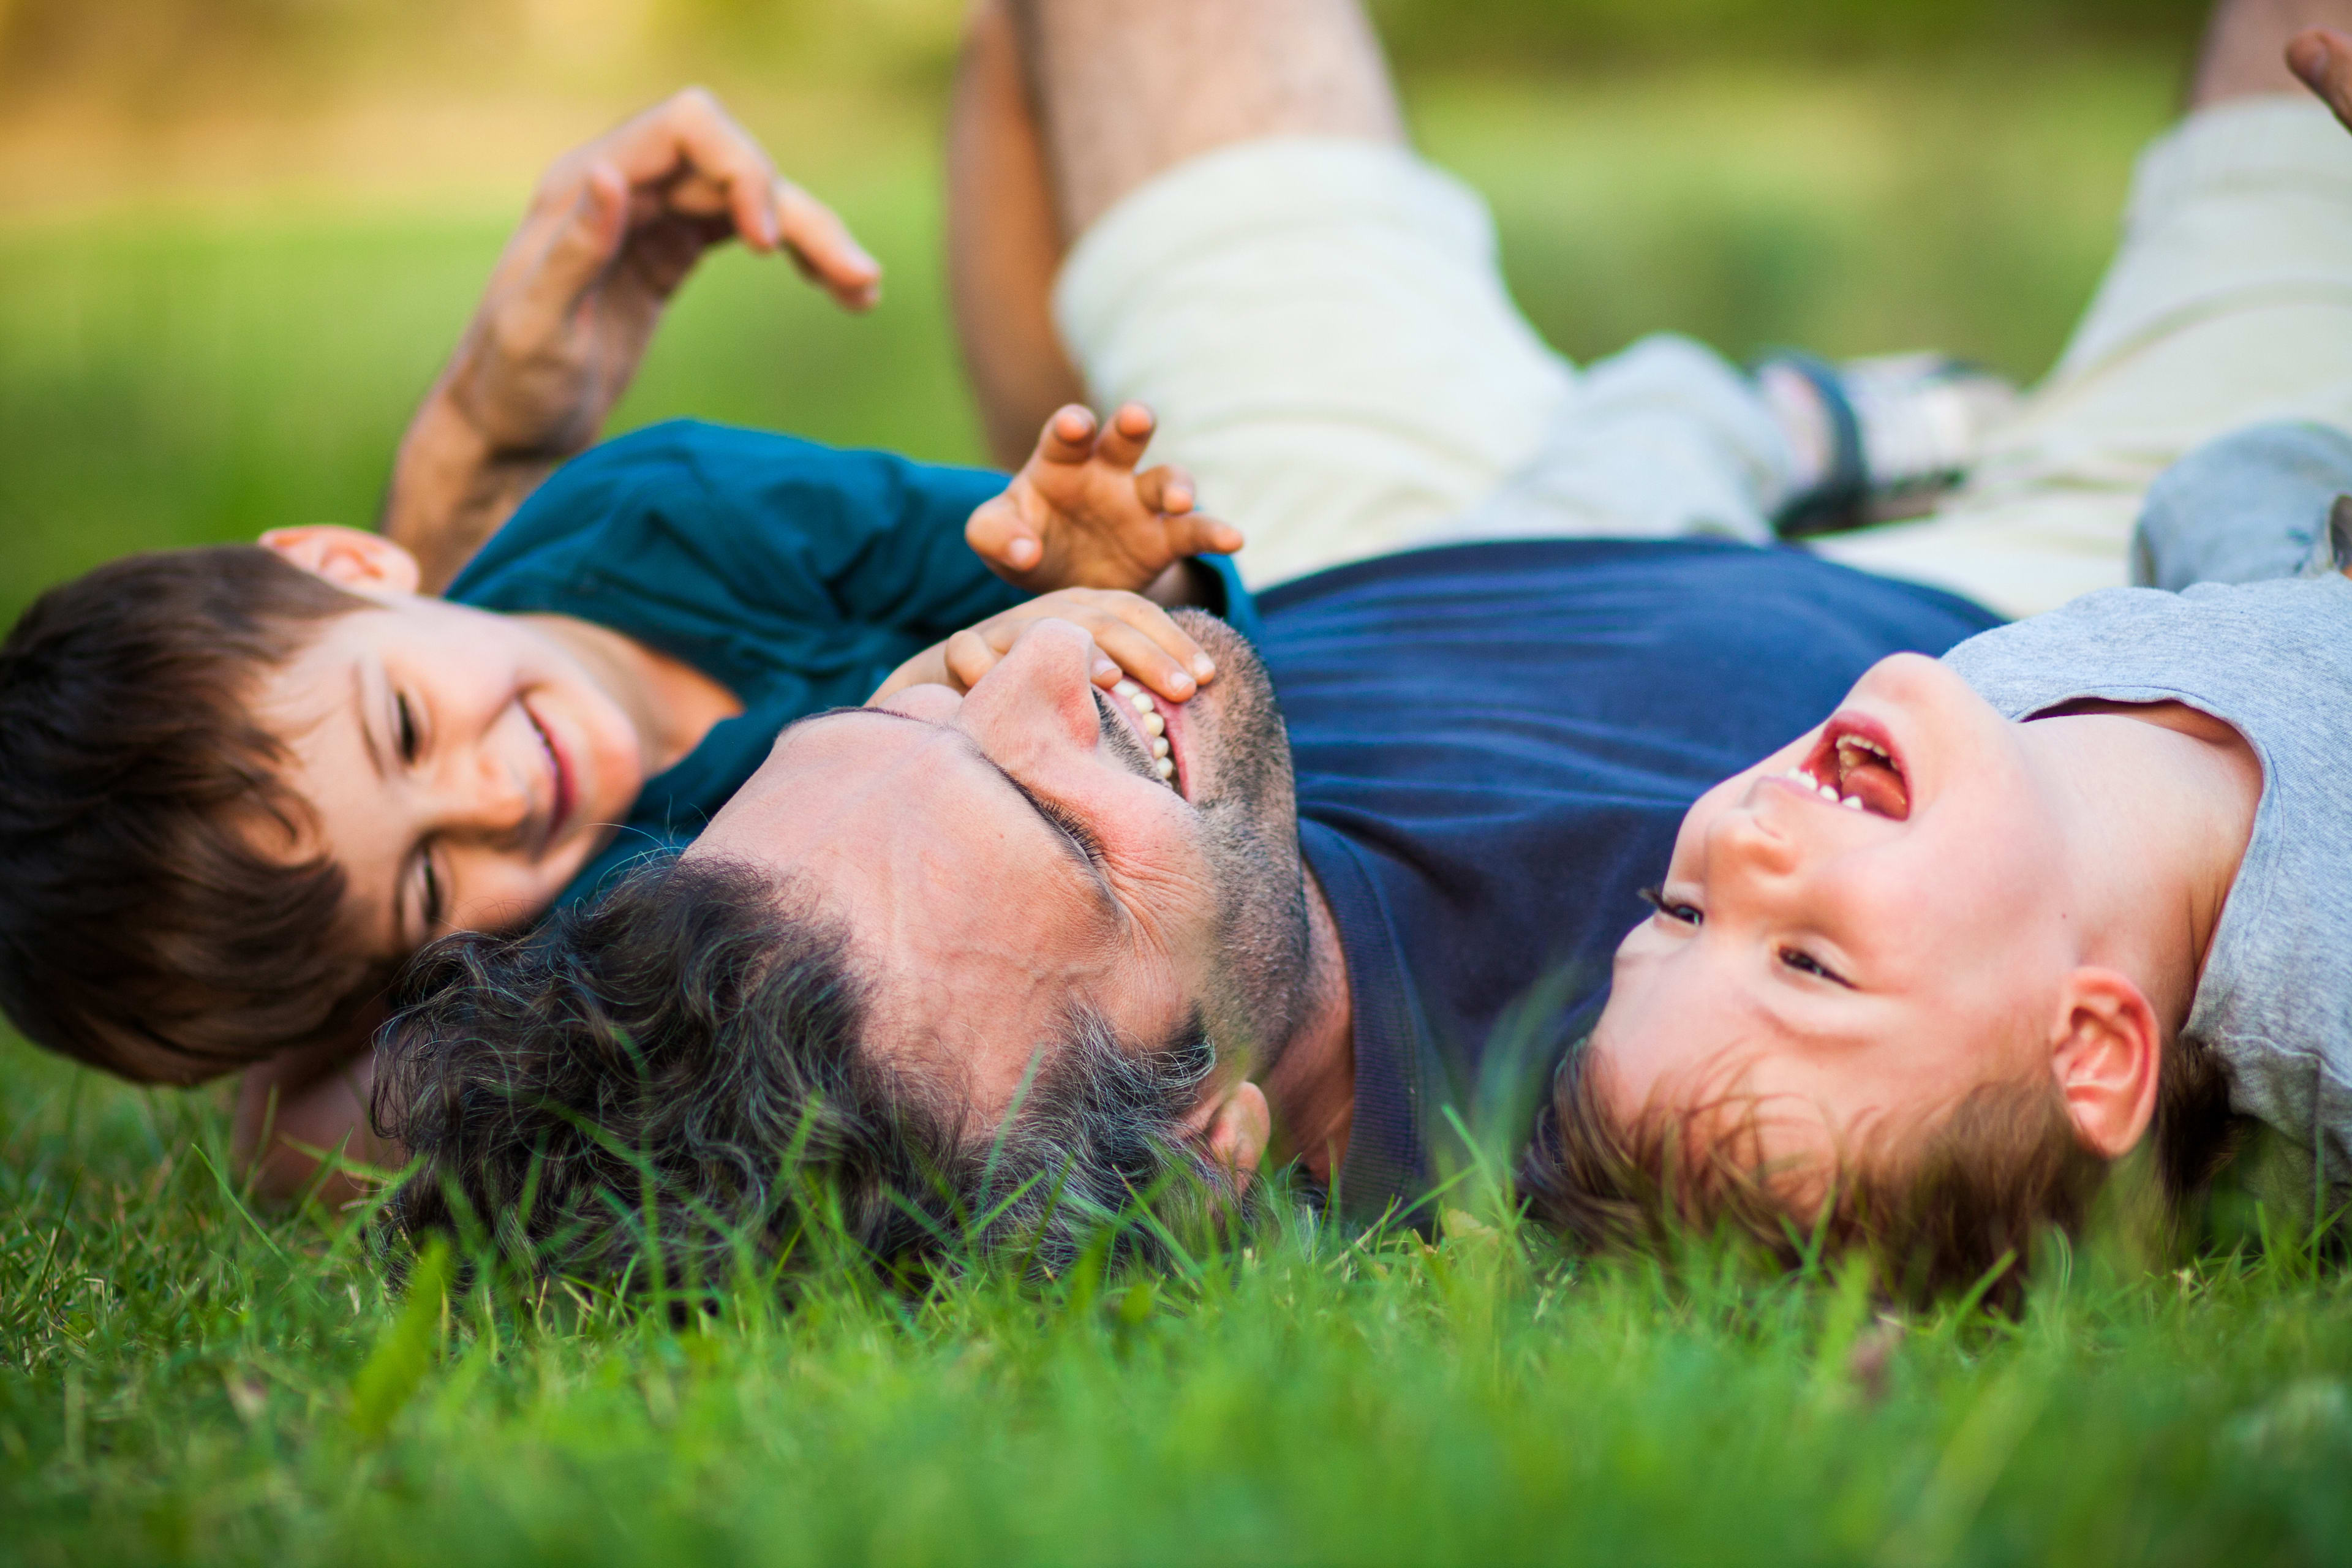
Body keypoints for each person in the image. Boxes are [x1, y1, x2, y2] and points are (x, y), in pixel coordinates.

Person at [377, 0, 2352, 1291]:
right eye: (1070, 834)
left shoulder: (842, 887)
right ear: (1202, 1147)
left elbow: (343, 978)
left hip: (1346, 535)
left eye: (930, 700)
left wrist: (472, 493)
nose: (1051, 670)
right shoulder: (1718, 1094)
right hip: (2082, 620)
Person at [0, 89, 1253, 1200]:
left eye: (402, 725)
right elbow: (290, 1140)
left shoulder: (655, 505)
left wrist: (1121, 570)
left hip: (1181, 760)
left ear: (352, 565)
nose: (491, 796)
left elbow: (1008, 551)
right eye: (428, 882)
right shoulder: (572, 964)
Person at [1526, 18, 2352, 1306]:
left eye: (1678, 915)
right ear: (2088, 1046)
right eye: (1808, 962)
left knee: (2222, 484)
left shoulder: (1997, 738)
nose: (1737, 855)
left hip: (2278, 563)